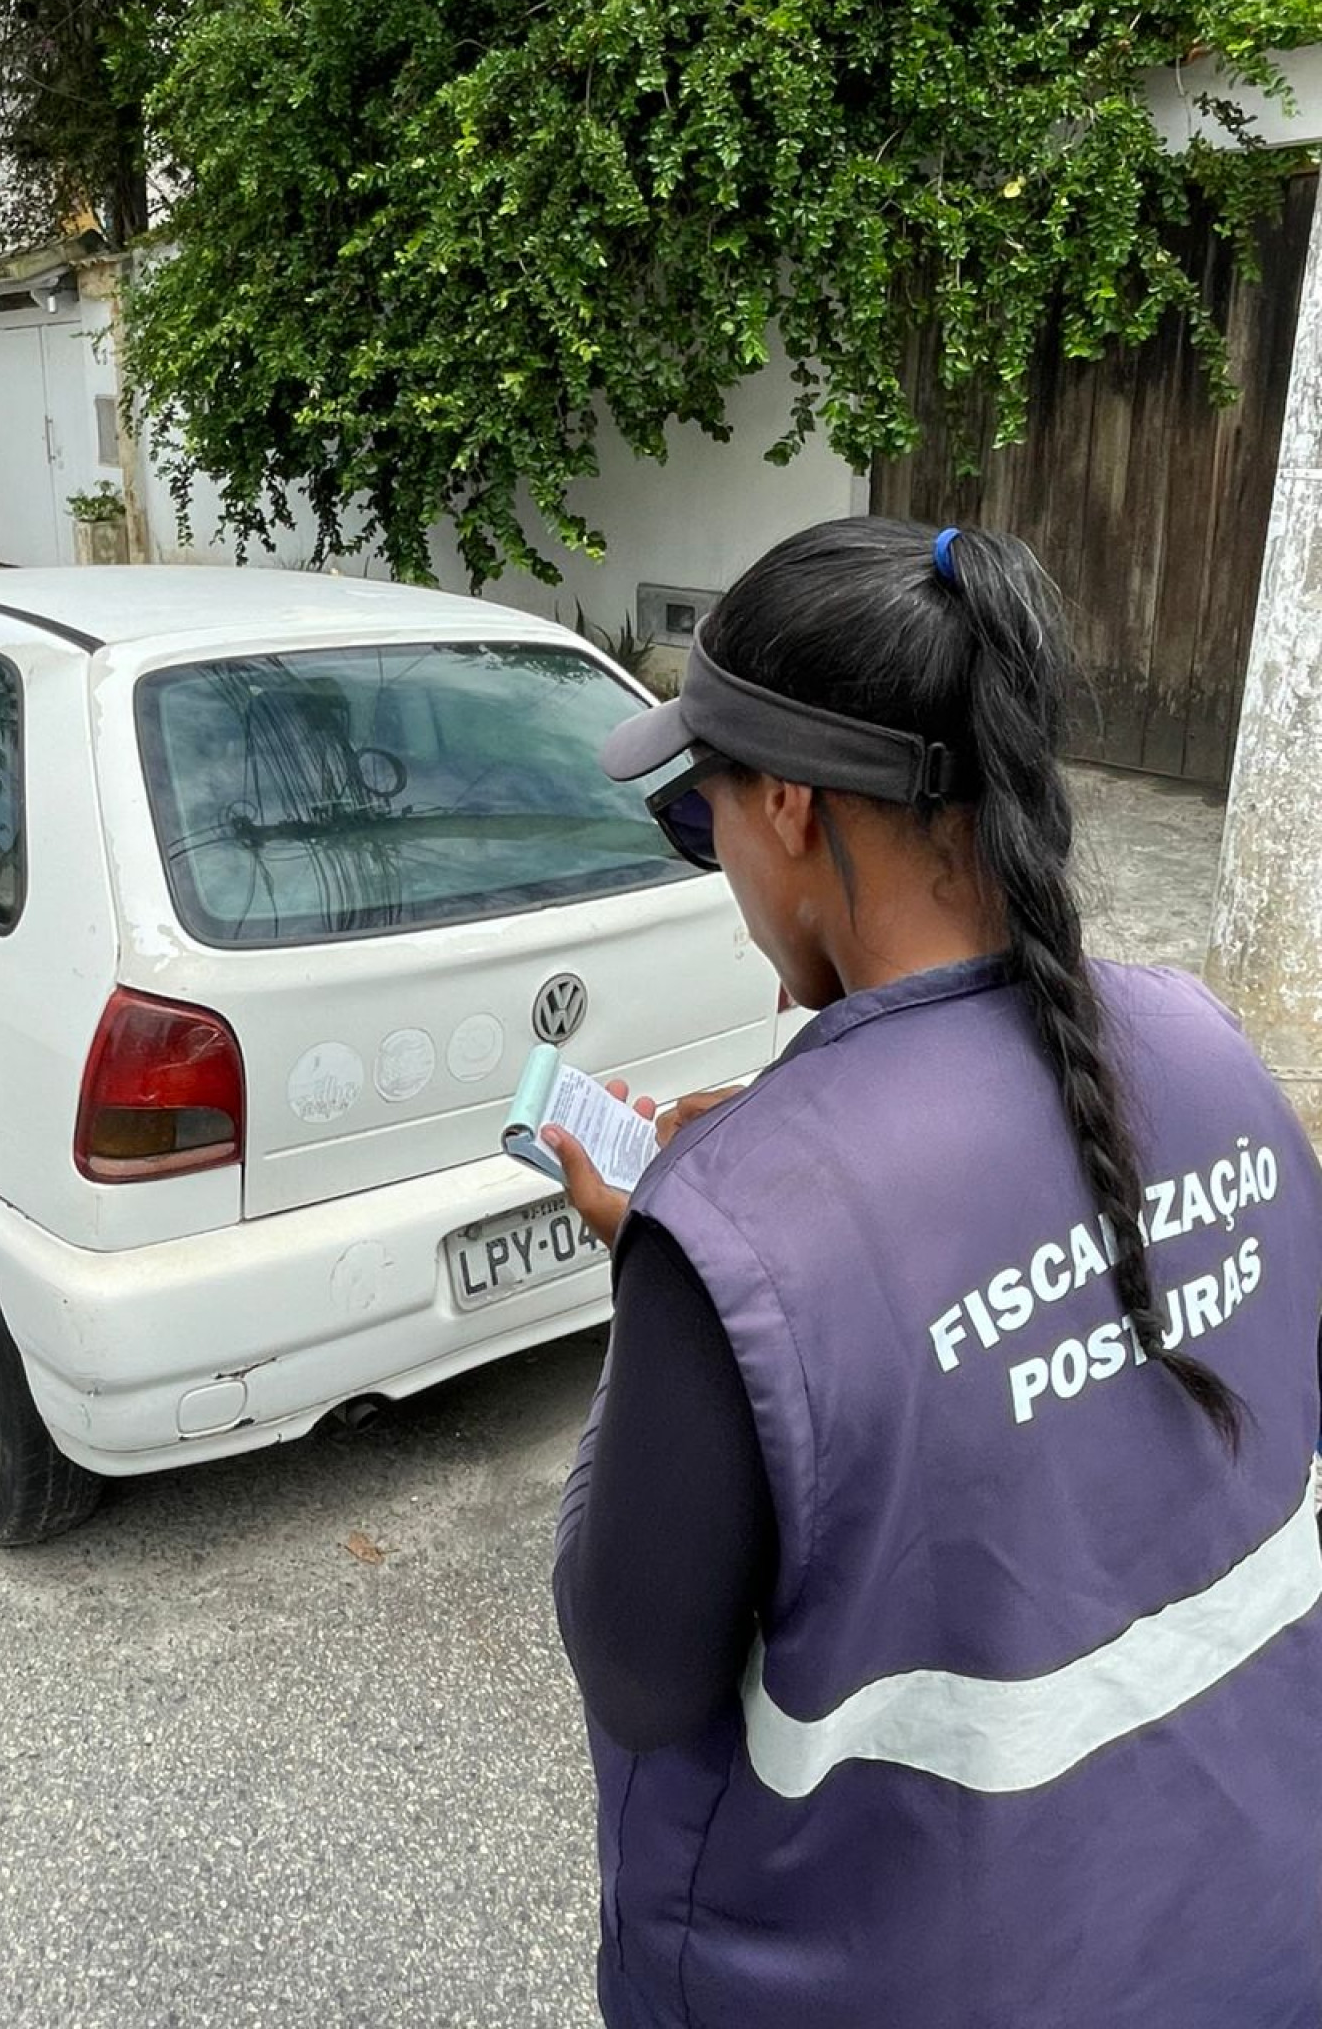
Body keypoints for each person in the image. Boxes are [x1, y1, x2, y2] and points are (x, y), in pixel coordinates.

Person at [545, 516, 1322, 2029]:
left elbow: (635, 1670)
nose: (716, 863)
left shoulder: (733, 1233)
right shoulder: (1212, 1049)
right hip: (1261, 1935)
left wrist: (663, 1264)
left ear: (783, 806)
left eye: (699, 815)